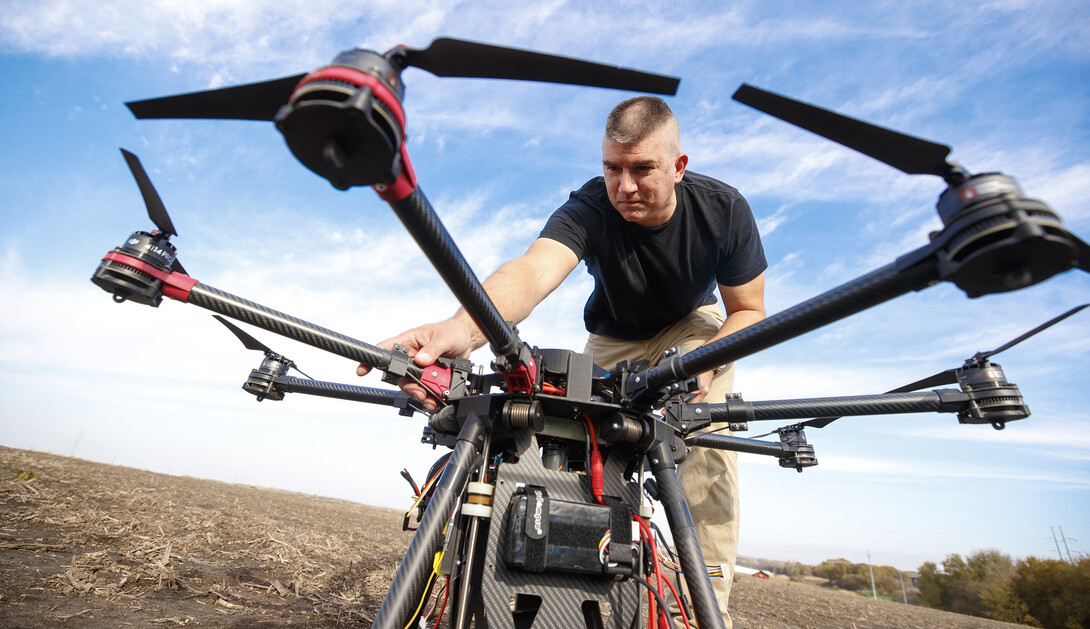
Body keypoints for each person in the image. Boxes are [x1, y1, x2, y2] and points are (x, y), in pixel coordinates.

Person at [359, 96, 766, 627]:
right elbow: (531, 271)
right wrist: (460, 330)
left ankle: (705, 607)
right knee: (576, 429)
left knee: (700, 438)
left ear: (678, 167)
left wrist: (702, 367)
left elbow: (750, 310)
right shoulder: (592, 206)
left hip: (693, 326)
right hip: (611, 338)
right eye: (612, 168)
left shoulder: (724, 209)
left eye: (642, 169)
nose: (625, 186)